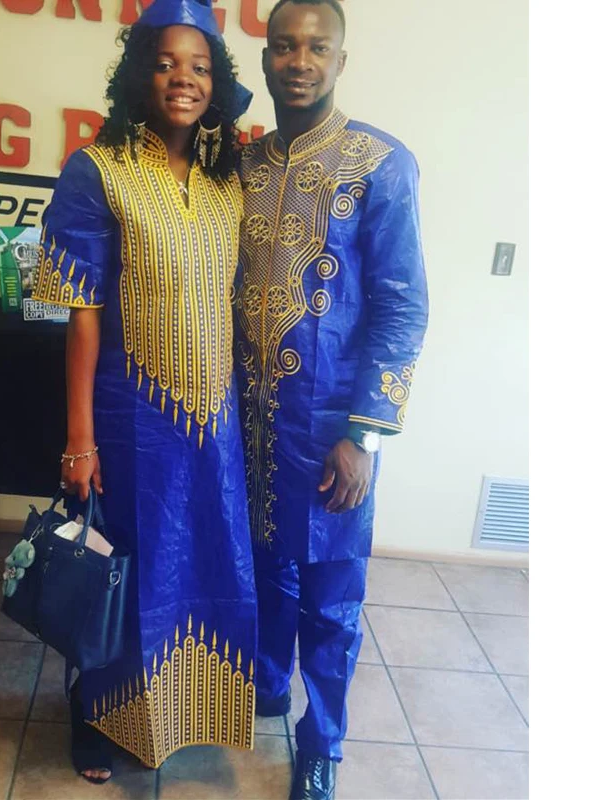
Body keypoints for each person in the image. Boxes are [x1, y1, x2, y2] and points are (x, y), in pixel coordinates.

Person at [31, 0, 257, 784]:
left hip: (213, 421)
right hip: (133, 418)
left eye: (199, 66)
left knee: (198, 570)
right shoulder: (96, 170)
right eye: (165, 63)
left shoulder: (229, 180)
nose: (182, 79)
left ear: (216, 82)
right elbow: (81, 313)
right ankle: (95, 716)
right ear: (138, 74)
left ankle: (175, 714)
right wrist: (80, 439)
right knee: (122, 577)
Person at [234, 1, 429, 798]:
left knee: (331, 596)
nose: (299, 61)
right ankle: (265, 684)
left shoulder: (382, 164)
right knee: (264, 569)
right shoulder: (244, 166)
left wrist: (365, 435)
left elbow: (402, 308)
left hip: (331, 430)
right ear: (266, 58)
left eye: (317, 48)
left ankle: (322, 743)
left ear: (341, 61)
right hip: (248, 422)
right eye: (284, 46)